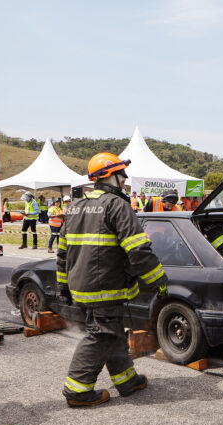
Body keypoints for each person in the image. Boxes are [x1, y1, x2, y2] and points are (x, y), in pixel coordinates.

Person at [56, 153, 168, 407]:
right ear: (109, 176)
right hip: (105, 287)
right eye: (122, 177)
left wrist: (63, 287)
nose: (124, 183)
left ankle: (127, 380)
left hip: (81, 287)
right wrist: (158, 280)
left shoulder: (74, 208)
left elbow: (62, 255)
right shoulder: (117, 206)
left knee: (113, 332)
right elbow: (138, 250)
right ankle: (77, 390)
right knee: (101, 335)